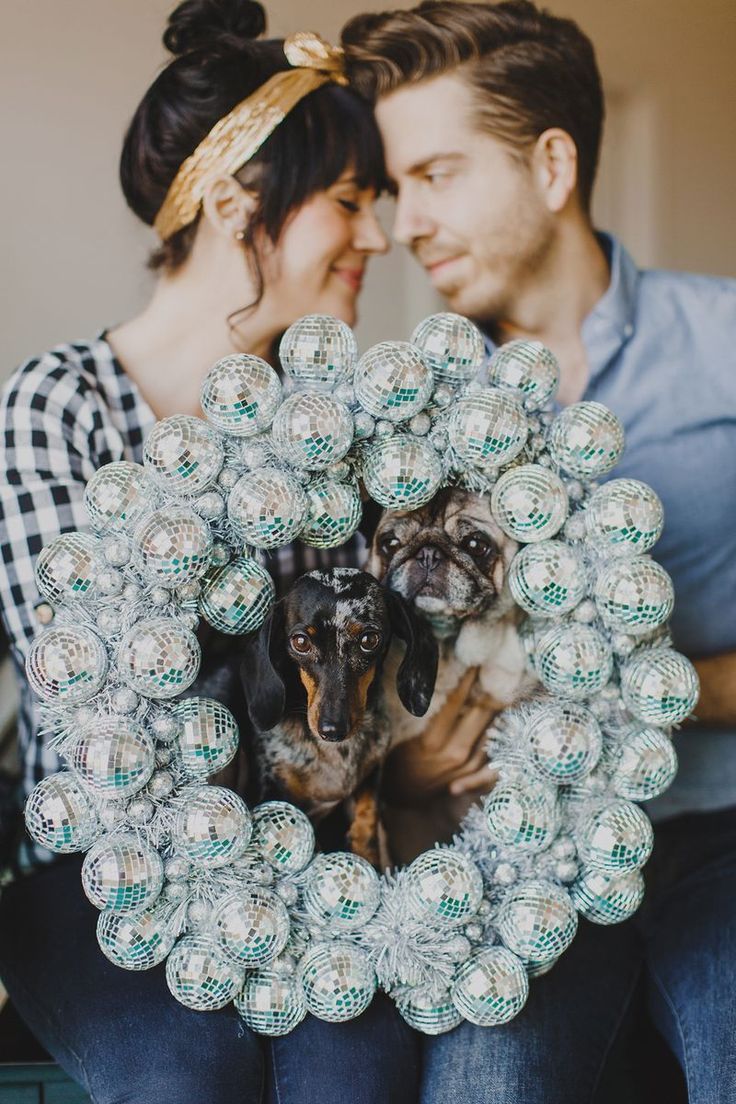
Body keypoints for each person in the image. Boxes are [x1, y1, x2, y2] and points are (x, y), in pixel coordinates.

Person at [0, 3, 422, 1102]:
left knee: (360, 1066)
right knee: (186, 1074)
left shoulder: (335, 425)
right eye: (347, 202)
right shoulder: (62, 404)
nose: (377, 237)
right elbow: (82, 700)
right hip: (110, 874)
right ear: (238, 203)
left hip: (307, 869)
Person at [342, 2, 736, 1102]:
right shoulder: (394, 421)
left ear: (552, 164)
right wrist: (407, 769)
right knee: (485, 1081)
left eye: (437, 174)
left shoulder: (725, 349)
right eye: (391, 185)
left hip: (718, 833)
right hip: (506, 859)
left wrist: (651, 692)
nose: (404, 221)